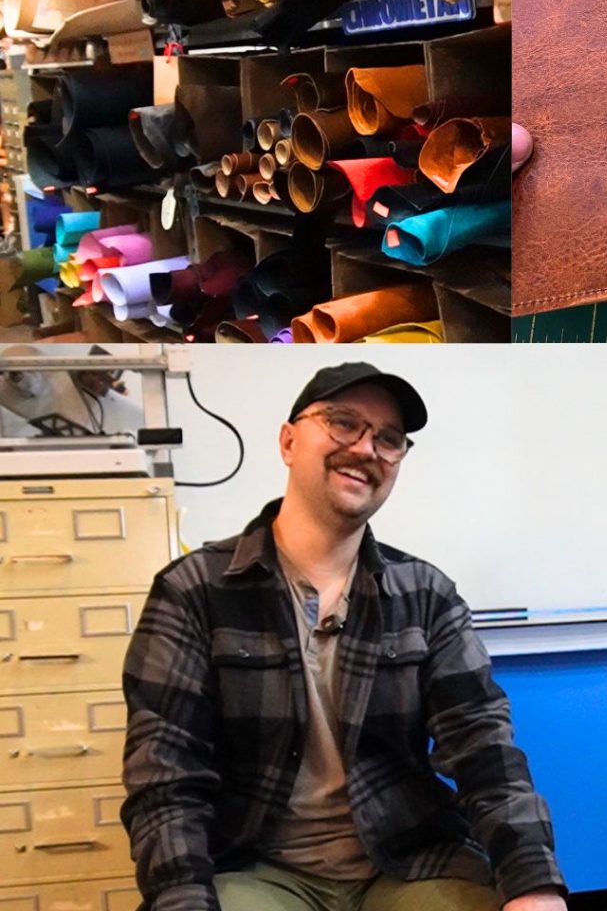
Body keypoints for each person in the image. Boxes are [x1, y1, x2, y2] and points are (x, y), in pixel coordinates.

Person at [121, 362, 568, 911]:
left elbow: (485, 749)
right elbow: (166, 776)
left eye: (388, 439)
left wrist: (534, 885)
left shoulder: (426, 595)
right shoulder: (194, 590)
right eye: (342, 423)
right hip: (255, 868)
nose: (365, 448)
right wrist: (182, 899)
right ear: (288, 442)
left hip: (405, 863)